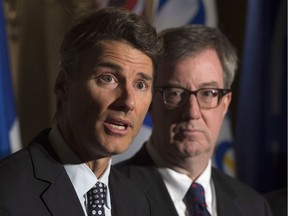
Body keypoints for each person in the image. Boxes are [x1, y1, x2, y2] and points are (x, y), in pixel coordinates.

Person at [0, 7, 163, 216]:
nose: (128, 102)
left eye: (140, 85)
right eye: (108, 78)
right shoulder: (8, 193)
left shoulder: (137, 203)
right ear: (63, 86)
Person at [115, 25, 273, 216]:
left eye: (208, 93)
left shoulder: (254, 207)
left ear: (225, 103)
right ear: (150, 101)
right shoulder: (112, 194)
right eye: (175, 93)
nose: (192, 112)